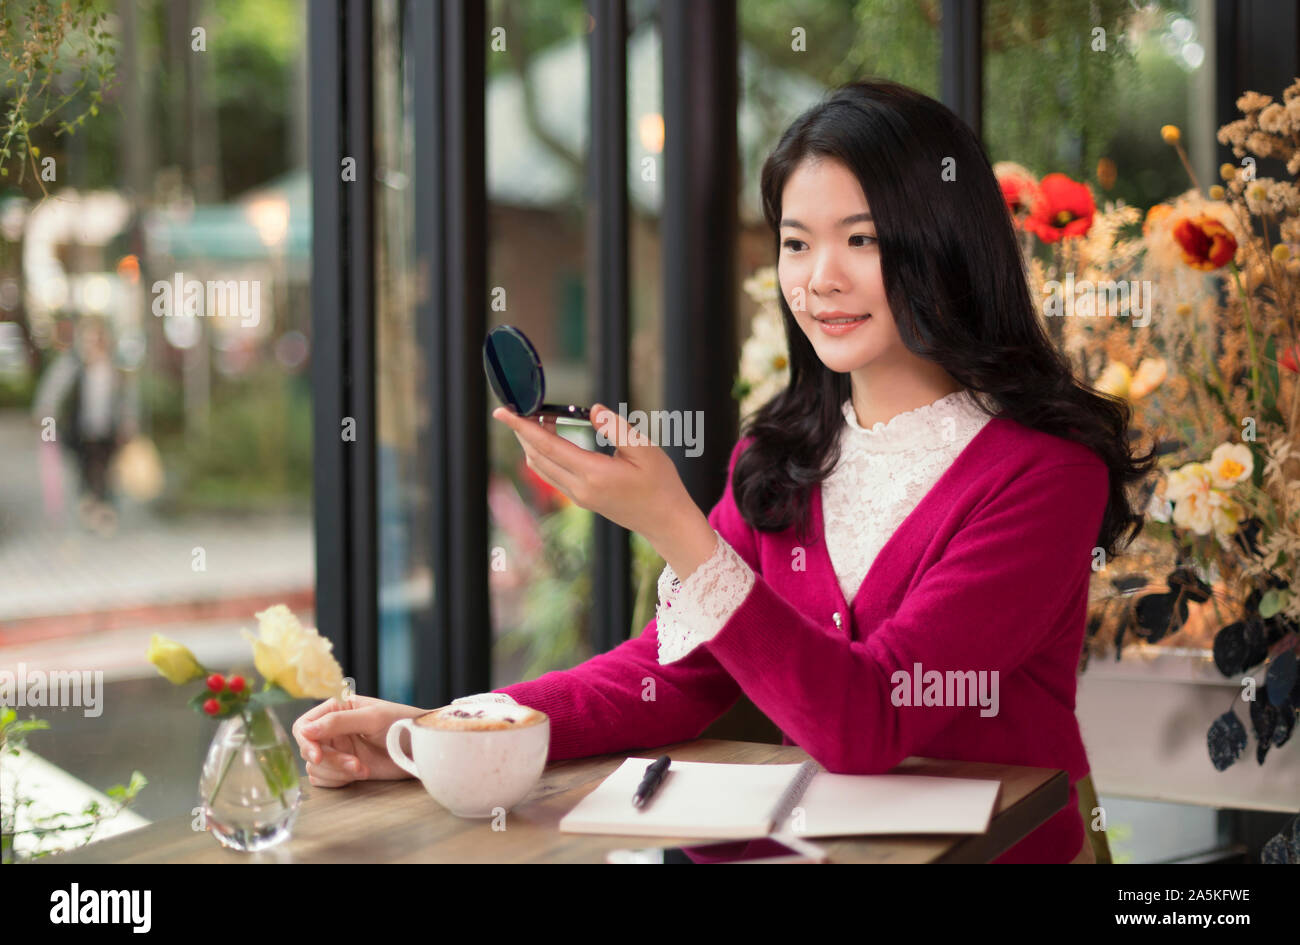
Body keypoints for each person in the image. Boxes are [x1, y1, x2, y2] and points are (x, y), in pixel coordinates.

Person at [292, 78, 1157, 863]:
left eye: (861, 238)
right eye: (795, 242)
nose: (820, 279)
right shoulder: (780, 456)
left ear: (945, 245)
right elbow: (665, 680)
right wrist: (442, 731)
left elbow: (872, 721)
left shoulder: (1043, 475)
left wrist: (676, 527)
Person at [31, 316, 139, 535]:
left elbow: (127, 398)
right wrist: (44, 414)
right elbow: (53, 390)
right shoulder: (73, 364)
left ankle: (103, 509)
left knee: (106, 470)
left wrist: (129, 422)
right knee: (86, 469)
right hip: (81, 430)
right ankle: (92, 507)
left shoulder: (115, 367)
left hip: (109, 430)